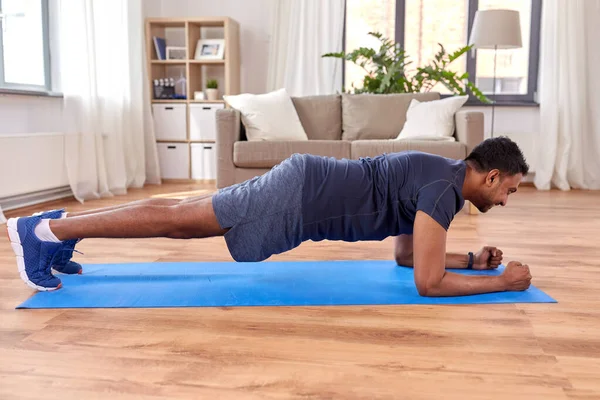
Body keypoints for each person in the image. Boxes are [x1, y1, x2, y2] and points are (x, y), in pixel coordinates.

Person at [7, 136, 532, 296]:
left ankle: (55, 230)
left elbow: (405, 255)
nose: (505, 201)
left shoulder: (438, 179)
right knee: (178, 219)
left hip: (304, 187)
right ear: (489, 177)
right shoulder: (443, 190)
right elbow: (426, 281)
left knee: (179, 215)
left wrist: (470, 259)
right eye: (508, 190)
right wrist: (503, 284)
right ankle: (43, 230)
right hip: (300, 195)